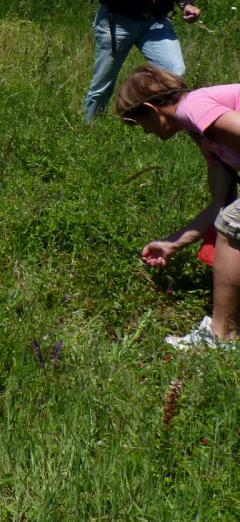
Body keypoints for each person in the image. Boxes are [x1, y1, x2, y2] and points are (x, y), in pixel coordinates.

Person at [117, 65, 240, 349]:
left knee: (233, 225)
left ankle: (222, 337)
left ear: (150, 108)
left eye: (136, 124)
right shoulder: (206, 135)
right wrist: (173, 243)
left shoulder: (192, 108)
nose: (144, 134)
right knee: (232, 220)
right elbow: (221, 208)